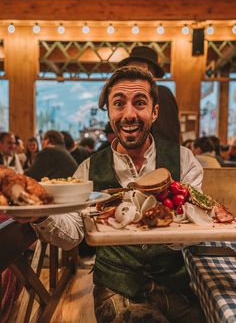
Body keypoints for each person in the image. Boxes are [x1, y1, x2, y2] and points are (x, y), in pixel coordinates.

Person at [29, 67, 204, 322]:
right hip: (116, 289)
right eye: (119, 104)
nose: (129, 114)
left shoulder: (184, 160)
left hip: (175, 289)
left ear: (154, 112)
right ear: (109, 112)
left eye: (140, 103)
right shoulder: (88, 168)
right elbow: (72, 235)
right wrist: (38, 214)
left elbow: (195, 226)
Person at [118, 45, 180, 144]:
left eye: (132, 68)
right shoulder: (131, 95)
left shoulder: (161, 93)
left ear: (145, 68)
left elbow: (166, 135)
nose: (127, 73)